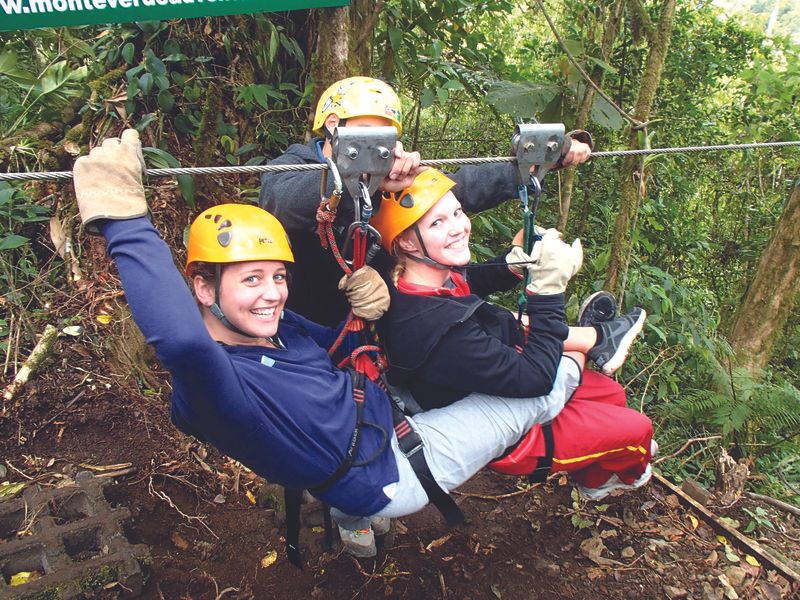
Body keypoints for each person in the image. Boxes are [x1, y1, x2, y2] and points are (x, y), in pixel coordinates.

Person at [73, 129, 586, 559]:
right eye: (251, 280)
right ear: (203, 289)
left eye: (278, 276)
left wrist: (367, 313)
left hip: (379, 422)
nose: (272, 293)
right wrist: (124, 220)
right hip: (392, 470)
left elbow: (338, 350)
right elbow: (184, 343)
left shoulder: (278, 331)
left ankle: (353, 523)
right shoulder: (215, 387)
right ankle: (591, 359)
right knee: (540, 390)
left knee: (464, 363)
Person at [372, 168, 655, 500]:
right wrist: (548, 290)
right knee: (640, 432)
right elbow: (535, 379)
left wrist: (511, 264)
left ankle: (594, 456)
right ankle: (605, 481)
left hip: (498, 382)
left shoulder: (412, 281)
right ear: (406, 241)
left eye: (457, 213)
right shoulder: (438, 333)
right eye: (437, 223)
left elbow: (469, 280)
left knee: (611, 395)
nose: (458, 227)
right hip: (514, 433)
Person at [258, 76, 594, 326]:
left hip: (377, 321)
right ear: (333, 126)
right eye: (365, 132)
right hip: (301, 322)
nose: (376, 146)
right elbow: (279, 201)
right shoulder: (298, 164)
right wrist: (361, 179)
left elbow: (457, 190)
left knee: (455, 292)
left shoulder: (387, 173)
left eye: (384, 136)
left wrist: (531, 166)